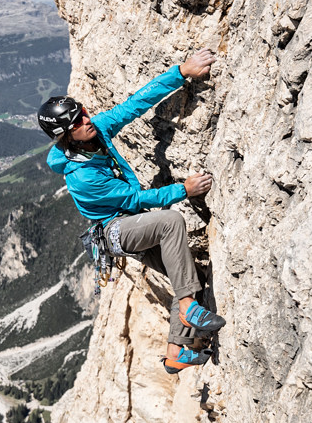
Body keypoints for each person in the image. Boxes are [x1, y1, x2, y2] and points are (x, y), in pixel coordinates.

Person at [37, 49, 225, 374]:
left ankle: (175, 353)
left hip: (132, 223)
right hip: (116, 231)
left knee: (187, 275)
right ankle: (187, 308)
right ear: (66, 137)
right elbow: (135, 200)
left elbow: (135, 105)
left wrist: (181, 71)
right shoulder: (82, 178)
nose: (86, 120)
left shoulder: (96, 132)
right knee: (169, 222)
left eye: (82, 113)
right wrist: (185, 190)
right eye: (77, 122)